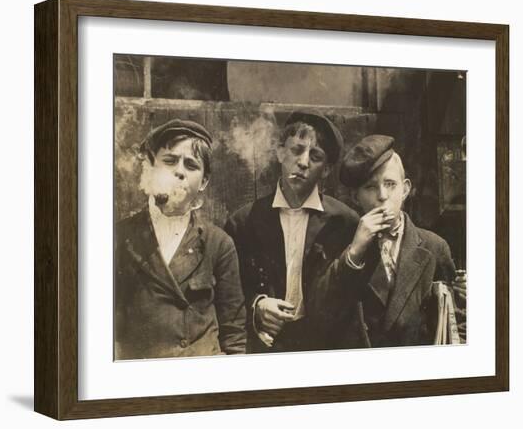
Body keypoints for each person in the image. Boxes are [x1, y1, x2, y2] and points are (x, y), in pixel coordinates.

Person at [224, 110, 359, 353]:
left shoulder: (344, 223)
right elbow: (230, 291)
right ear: (280, 152)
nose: (303, 162)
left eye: (315, 156)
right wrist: (258, 305)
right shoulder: (244, 222)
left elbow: (350, 296)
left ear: (326, 170)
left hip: (325, 349)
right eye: (296, 150)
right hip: (266, 350)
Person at [114, 119, 247, 360]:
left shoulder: (218, 243)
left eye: (191, 165)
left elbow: (234, 334)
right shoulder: (119, 238)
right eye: (169, 160)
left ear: (204, 181)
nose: (180, 171)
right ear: (151, 167)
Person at [323, 134, 466, 348]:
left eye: (390, 184)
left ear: (405, 189)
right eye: (371, 187)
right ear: (355, 197)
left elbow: (457, 321)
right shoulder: (342, 245)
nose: (382, 195)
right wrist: (354, 252)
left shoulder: (434, 246)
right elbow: (325, 312)